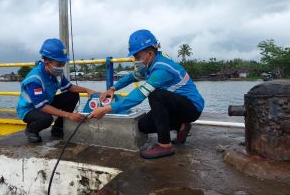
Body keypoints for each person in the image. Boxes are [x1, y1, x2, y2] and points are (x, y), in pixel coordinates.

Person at [89, 29, 204, 159]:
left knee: (155, 94)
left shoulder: (161, 68)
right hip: (177, 107)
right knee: (144, 125)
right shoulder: (150, 64)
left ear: (149, 53)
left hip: (192, 107)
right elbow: (131, 77)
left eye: (137, 56)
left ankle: (165, 145)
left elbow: (140, 94)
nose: (135, 60)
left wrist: (106, 109)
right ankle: (181, 125)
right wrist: (112, 89)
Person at [17, 38, 97, 143]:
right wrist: (69, 115)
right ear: (46, 61)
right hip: (29, 109)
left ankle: (58, 127)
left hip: (46, 103)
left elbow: (70, 87)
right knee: (46, 118)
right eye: (59, 64)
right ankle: (31, 130)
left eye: (63, 64)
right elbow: (41, 106)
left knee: (72, 95)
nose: (61, 67)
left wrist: (87, 90)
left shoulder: (56, 73)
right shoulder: (35, 79)